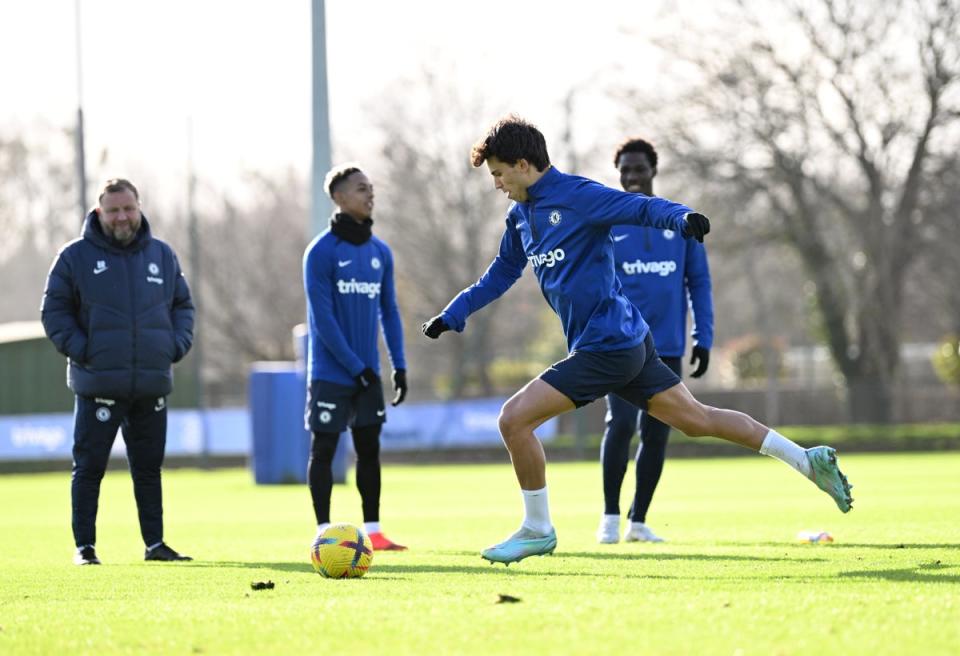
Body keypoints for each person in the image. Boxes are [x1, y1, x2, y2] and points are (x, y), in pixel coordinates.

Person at [421, 116, 853, 565]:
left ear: (523, 164)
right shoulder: (520, 218)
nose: (496, 184)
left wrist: (682, 217)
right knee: (697, 419)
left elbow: (641, 208)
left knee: (513, 420)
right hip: (628, 340)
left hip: (607, 345)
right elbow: (500, 275)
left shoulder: (578, 196)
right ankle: (807, 460)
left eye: (498, 173)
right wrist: (454, 314)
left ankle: (537, 529)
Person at [41, 178, 195, 565]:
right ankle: (85, 548)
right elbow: (54, 312)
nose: (122, 216)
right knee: (89, 469)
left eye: (128, 208)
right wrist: (84, 351)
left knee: (148, 471)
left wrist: (172, 348)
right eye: (113, 210)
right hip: (98, 384)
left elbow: (183, 308)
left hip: (150, 383)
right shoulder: (73, 257)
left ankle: (155, 544)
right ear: (99, 213)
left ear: (139, 208)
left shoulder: (162, 256)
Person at [596, 137, 713, 544]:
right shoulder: (609, 223)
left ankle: (638, 521)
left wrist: (704, 336)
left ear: (653, 172)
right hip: (620, 344)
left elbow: (698, 282)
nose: (631, 177)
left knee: (658, 431)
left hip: (666, 348)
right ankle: (609, 517)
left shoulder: (678, 224)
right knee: (621, 423)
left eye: (639, 169)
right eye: (624, 170)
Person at [304, 163, 409, 552]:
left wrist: (398, 365)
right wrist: (356, 367)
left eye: (371, 188)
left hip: (368, 373)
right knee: (325, 449)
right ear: (340, 197)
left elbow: (390, 312)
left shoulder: (381, 252)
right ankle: (322, 530)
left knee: (369, 449)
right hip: (333, 372)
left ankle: (375, 532)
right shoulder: (320, 252)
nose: (370, 194)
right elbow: (323, 320)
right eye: (362, 189)